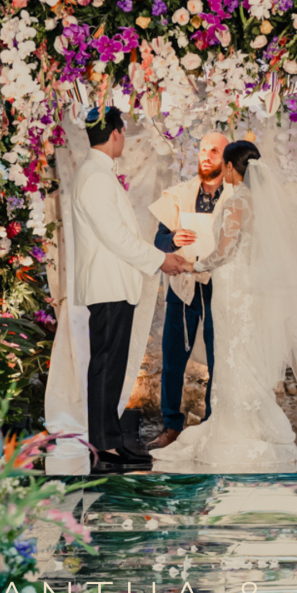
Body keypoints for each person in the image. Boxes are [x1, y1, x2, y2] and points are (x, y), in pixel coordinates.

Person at [150, 141, 297, 474]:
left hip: (232, 287)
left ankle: (235, 427)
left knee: (233, 352)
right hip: (249, 287)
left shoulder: (236, 201)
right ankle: (250, 420)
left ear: (232, 168)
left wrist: (193, 265)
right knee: (241, 353)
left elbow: (223, 252)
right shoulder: (262, 203)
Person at [70, 106, 188, 475]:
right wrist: (160, 259)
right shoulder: (95, 178)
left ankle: (110, 441)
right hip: (107, 285)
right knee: (105, 366)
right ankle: (103, 446)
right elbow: (117, 238)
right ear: (116, 133)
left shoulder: (98, 174)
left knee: (111, 365)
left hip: (113, 284)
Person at [147, 131, 231, 452]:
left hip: (218, 288)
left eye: (213, 151)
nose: (205, 156)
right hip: (182, 287)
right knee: (172, 357)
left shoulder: (235, 196)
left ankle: (212, 423)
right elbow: (159, 241)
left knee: (217, 358)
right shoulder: (179, 194)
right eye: (202, 150)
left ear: (226, 159)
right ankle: (171, 426)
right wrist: (173, 241)